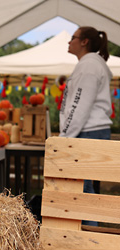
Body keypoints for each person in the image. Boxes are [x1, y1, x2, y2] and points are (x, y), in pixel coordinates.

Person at [59, 26, 112, 225]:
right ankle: (87, 236)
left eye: (73, 37)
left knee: (82, 191)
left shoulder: (89, 66)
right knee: (84, 189)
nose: (69, 41)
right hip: (90, 131)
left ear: (84, 42)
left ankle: (88, 239)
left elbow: (79, 105)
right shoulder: (89, 64)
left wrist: (65, 138)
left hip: (87, 132)